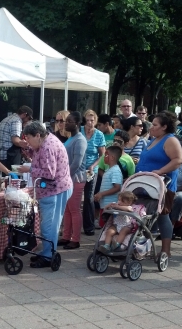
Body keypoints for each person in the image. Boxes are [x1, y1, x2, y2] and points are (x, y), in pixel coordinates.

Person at [17, 121, 73, 268]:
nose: (26, 141)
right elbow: (39, 158)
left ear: (37, 135)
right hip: (55, 188)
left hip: (55, 190)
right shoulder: (44, 142)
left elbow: (49, 173)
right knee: (49, 225)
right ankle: (47, 252)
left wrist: (28, 170)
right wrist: (29, 150)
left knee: (49, 226)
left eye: (28, 138)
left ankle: (48, 256)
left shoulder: (48, 147)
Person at [136, 111, 182, 258]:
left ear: (164, 127)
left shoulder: (170, 140)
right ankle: (142, 246)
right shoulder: (153, 139)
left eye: (155, 125)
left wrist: (160, 171)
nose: (151, 127)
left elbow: (178, 160)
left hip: (162, 185)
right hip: (146, 184)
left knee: (162, 216)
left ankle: (165, 250)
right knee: (143, 214)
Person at [57, 111, 87, 250]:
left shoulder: (80, 140)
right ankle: (66, 236)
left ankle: (75, 239)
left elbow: (76, 162)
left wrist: (65, 175)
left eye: (69, 121)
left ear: (77, 123)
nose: (66, 123)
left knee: (74, 210)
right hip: (68, 178)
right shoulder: (71, 138)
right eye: (65, 121)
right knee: (68, 210)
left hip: (75, 178)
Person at [80, 109, 106, 235]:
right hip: (78, 168)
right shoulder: (79, 131)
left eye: (92, 120)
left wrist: (93, 165)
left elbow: (102, 155)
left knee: (89, 197)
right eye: (88, 120)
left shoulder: (99, 134)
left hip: (91, 169)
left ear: (95, 122)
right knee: (74, 197)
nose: (90, 123)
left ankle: (88, 226)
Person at [94, 145, 123, 236]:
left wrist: (102, 194)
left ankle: (107, 243)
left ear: (112, 157)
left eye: (106, 154)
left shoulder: (115, 171)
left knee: (108, 226)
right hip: (105, 205)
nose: (104, 157)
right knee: (104, 225)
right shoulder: (109, 170)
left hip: (111, 206)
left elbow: (117, 187)